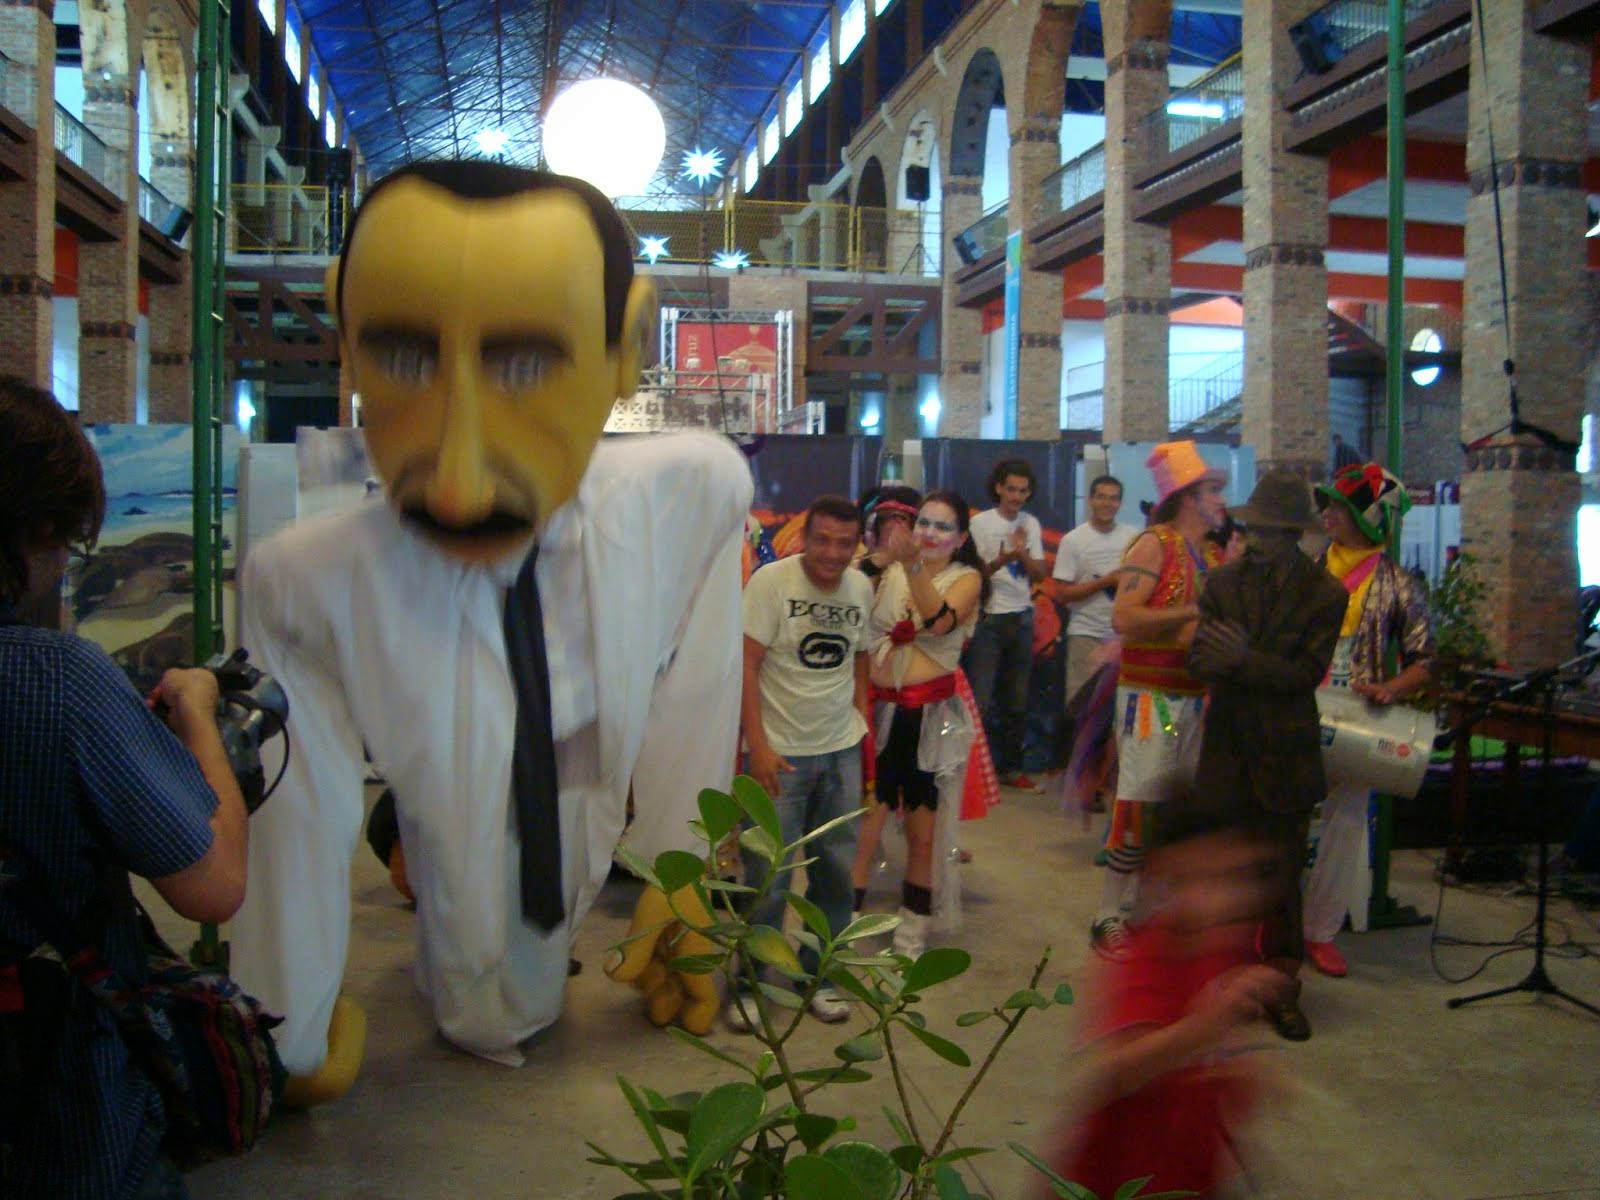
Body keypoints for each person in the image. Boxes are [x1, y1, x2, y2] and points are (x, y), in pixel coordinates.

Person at [229, 162, 752, 1100]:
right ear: (341, 333)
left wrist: (683, 869)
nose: (461, 484)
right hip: (450, 888)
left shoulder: (690, 495)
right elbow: (294, 825)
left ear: (626, 347)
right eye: (402, 355)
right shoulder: (304, 586)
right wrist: (284, 1030)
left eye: (524, 363)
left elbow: (704, 681)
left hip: (572, 843)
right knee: (476, 967)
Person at [0, 379, 249, 1199]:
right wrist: (200, 717)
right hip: (64, 1122)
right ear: (37, 529)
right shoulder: (54, 680)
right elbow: (211, 884)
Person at [1037, 794, 1297, 1200]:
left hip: (1187, 1163)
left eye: (1237, 879)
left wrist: (1239, 1072)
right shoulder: (1147, 954)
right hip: (1122, 1174)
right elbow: (1116, 1070)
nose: (1221, 899)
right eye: (1203, 879)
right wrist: (1203, 1029)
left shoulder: (1223, 948)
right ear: (1164, 874)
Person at [1188, 470, 1348, 1041]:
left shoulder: (1327, 593)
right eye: (1250, 529)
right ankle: (1226, 986)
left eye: (1265, 532)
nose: (1252, 540)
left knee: (1281, 881)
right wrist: (1219, 659)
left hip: (1286, 753)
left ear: (1292, 535)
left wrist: (1242, 661)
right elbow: (1200, 661)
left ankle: (1282, 991)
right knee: (1225, 874)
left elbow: (1304, 675)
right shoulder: (1223, 584)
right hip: (1228, 750)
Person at [730, 495, 873, 1030]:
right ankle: (752, 982)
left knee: (835, 874)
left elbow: (859, 656)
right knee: (767, 877)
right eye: (822, 540)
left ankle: (821, 977)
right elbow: (745, 665)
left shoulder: (861, 586)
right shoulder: (771, 583)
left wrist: (861, 723)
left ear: (856, 543)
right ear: (804, 537)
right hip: (780, 756)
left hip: (840, 750)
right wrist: (758, 746)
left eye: (844, 542)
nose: (832, 553)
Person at [1092, 441, 1228, 958]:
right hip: (1152, 699)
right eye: (1213, 491)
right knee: (1140, 803)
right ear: (1188, 496)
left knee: (1172, 808)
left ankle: (1145, 912)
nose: (1221, 502)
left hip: (1193, 698)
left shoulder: (1212, 554)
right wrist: (1194, 612)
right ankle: (1108, 913)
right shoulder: (1155, 544)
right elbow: (1124, 617)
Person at [1301, 464, 1433, 978]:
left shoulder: (1400, 585)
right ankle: (1273, 920)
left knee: (1347, 821)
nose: (1327, 513)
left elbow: (1427, 659)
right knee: (1282, 809)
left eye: (1339, 506)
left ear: (1366, 519)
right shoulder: (1309, 570)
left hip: (1358, 719)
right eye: (1328, 504)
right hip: (1297, 705)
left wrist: (1389, 689)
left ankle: (1320, 931)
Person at [856, 491, 985, 958]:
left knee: (921, 832)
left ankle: (912, 931)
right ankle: (844, 924)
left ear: (961, 538)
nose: (929, 533)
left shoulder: (967, 579)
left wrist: (909, 566)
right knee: (863, 826)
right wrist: (879, 560)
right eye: (924, 523)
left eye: (942, 527)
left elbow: (937, 623)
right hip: (875, 713)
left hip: (928, 718)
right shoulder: (884, 571)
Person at [963, 459, 1048, 791]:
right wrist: (1002, 559)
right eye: (1011, 488)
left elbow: (1040, 575)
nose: (1016, 496)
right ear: (998, 487)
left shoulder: (1031, 523)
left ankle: (1010, 769)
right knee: (980, 700)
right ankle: (972, 772)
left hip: (1022, 617)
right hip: (989, 618)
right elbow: (971, 575)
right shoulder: (980, 524)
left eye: (1023, 490)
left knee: (1016, 701)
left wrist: (1022, 554)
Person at [1051, 475, 1139, 705]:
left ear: (1120, 503)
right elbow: (1061, 594)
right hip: (1085, 634)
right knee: (1082, 708)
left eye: (1113, 498)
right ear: (1090, 500)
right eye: (1101, 497)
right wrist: (1106, 581)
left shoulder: (1135, 538)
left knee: (1121, 710)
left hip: (1124, 637)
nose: (1107, 503)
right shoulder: (1073, 540)